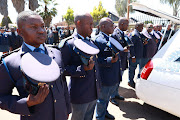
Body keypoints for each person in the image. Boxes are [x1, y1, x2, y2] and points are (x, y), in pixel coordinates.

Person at [0, 11, 71, 120]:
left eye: (43, 26)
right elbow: (2, 98)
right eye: (33, 27)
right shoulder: (10, 63)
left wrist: (67, 109)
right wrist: (27, 102)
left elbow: (63, 84)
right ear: (20, 32)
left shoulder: (56, 53)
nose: (42, 31)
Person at [60, 13, 100, 120]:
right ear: (79, 23)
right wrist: (82, 69)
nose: (93, 27)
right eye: (90, 24)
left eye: (93, 24)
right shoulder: (68, 44)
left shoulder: (91, 41)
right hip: (80, 95)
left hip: (93, 92)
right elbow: (61, 70)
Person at [94, 17, 123, 120]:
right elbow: (96, 60)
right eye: (111, 25)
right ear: (103, 27)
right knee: (102, 99)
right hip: (105, 76)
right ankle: (99, 117)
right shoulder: (98, 40)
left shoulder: (110, 38)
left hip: (112, 74)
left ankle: (104, 112)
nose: (114, 27)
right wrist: (109, 60)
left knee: (106, 98)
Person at [110, 17, 130, 105]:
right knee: (114, 80)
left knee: (118, 79)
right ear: (122, 24)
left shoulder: (122, 33)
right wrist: (122, 50)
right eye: (127, 24)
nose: (128, 26)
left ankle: (116, 93)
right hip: (117, 60)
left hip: (122, 60)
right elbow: (112, 49)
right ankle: (112, 96)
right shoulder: (115, 34)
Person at [128, 22, 147, 88]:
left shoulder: (138, 34)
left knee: (136, 69)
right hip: (134, 57)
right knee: (132, 69)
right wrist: (133, 56)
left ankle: (133, 81)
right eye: (141, 27)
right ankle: (130, 81)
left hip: (139, 56)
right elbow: (131, 46)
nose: (142, 28)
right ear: (137, 27)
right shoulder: (134, 34)